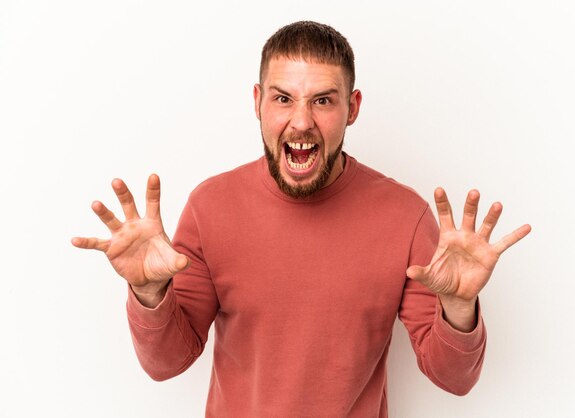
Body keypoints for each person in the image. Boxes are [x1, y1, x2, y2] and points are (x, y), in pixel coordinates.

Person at [72, 21, 531, 417]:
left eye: (323, 101)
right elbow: (165, 363)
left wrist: (459, 308)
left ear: (352, 108)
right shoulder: (210, 207)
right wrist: (149, 293)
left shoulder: (405, 216)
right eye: (283, 98)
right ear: (258, 102)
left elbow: (454, 379)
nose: (301, 122)